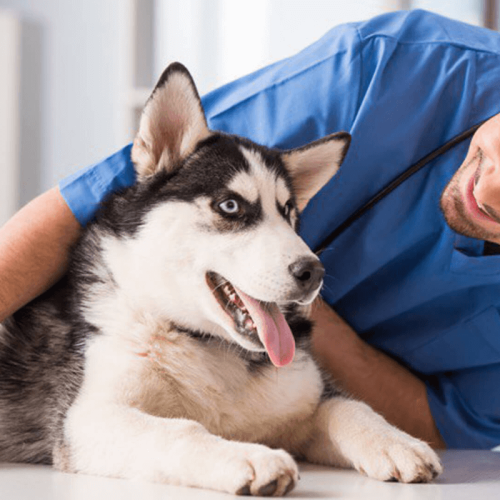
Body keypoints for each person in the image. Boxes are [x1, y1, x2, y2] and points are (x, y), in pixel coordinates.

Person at [1, 9, 500, 450]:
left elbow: (441, 423)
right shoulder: (396, 66)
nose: (491, 191)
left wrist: (291, 314)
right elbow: (95, 199)